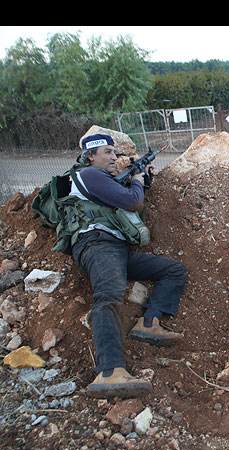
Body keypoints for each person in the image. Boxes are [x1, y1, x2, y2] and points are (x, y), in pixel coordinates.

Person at [69, 134, 187, 398]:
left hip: (117, 248)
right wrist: (136, 179)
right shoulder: (90, 174)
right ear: (91, 156)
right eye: (107, 152)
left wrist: (144, 179)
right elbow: (132, 202)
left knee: (173, 270)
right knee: (109, 296)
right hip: (97, 244)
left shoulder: (104, 180)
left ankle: (149, 322)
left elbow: (130, 199)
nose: (113, 157)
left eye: (114, 152)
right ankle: (109, 372)